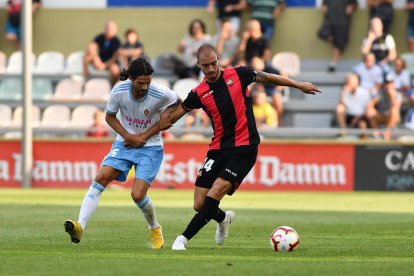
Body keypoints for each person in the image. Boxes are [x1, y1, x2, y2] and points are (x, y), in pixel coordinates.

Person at [138, 44, 320, 250]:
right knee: (200, 204)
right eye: (205, 65)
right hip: (217, 149)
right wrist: (143, 135)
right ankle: (223, 219)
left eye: (214, 63)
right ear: (198, 65)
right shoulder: (198, 93)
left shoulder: (240, 74)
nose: (211, 69)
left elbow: (269, 77)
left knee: (215, 192)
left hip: (245, 148)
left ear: (219, 59)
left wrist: (299, 84)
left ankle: (183, 239)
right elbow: (173, 116)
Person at [64, 57, 179, 249]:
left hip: (150, 147)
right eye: (141, 83)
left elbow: (178, 103)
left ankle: (154, 228)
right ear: (131, 79)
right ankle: (79, 226)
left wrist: (153, 128)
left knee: (137, 195)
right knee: (101, 177)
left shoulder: (160, 92)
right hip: (124, 143)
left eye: (148, 82)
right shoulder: (119, 91)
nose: (145, 87)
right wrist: (128, 136)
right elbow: (109, 117)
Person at [317, 0, 358, 72]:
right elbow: (323, 5)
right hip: (330, 22)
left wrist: (351, 7)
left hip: (342, 23)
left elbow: (354, 4)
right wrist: (323, 8)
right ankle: (334, 41)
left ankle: (333, 64)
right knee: (322, 34)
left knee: (338, 45)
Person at [83, 20, 121, 87]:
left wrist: (104, 65)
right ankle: (85, 81)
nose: (110, 30)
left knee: (115, 70)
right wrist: (97, 60)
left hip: (110, 63)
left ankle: (112, 87)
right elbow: (91, 47)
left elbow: (115, 57)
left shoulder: (117, 41)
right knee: (87, 57)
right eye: (108, 28)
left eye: (112, 29)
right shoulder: (100, 37)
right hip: (99, 61)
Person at [336, 73, 372, 138]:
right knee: (340, 108)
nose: (350, 83)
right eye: (349, 81)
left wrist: (358, 118)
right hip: (349, 115)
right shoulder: (345, 91)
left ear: (357, 82)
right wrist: (342, 93)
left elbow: (367, 108)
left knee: (362, 125)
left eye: (352, 81)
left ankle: (363, 139)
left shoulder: (364, 92)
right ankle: (343, 131)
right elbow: (342, 104)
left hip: (360, 117)